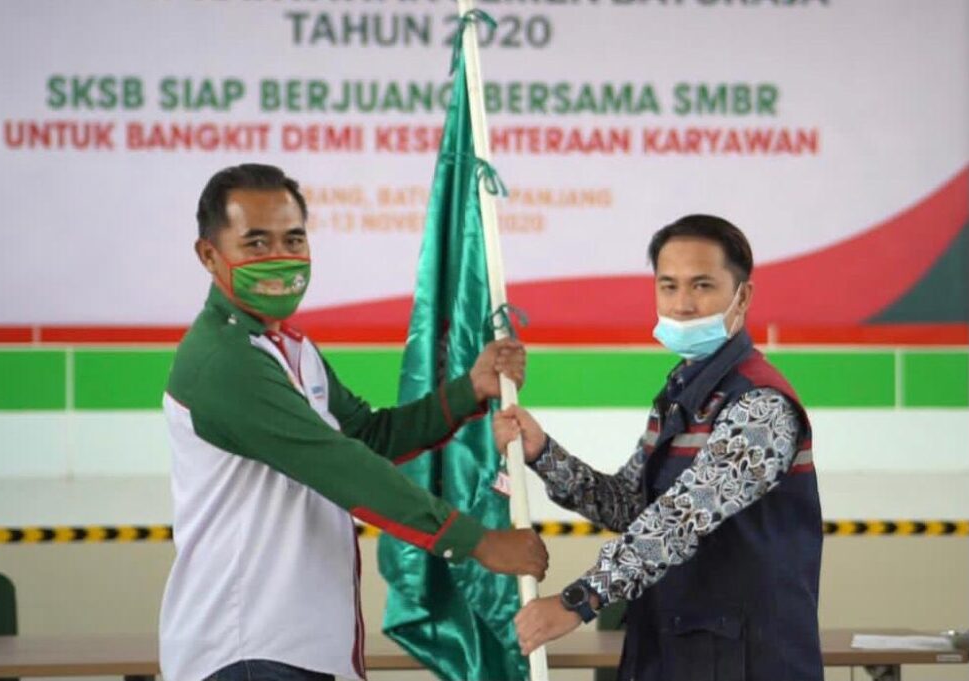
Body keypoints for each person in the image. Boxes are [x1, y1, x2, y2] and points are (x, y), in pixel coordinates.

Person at [159, 163, 548, 681]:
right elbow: (341, 465)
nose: (279, 257)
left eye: (293, 239)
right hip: (246, 649)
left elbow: (369, 437)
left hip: (304, 647)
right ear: (210, 255)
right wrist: (477, 541)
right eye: (256, 243)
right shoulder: (223, 360)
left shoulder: (290, 349)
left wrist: (468, 390)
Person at [495, 215, 823, 681]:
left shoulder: (760, 405)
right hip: (674, 650)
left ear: (743, 295)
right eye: (668, 286)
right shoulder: (680, 395)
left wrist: (580, 600)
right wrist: (543, 453)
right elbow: (631, 507)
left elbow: (681, 517)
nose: (682, 304)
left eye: (702, 285)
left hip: (749, 661)